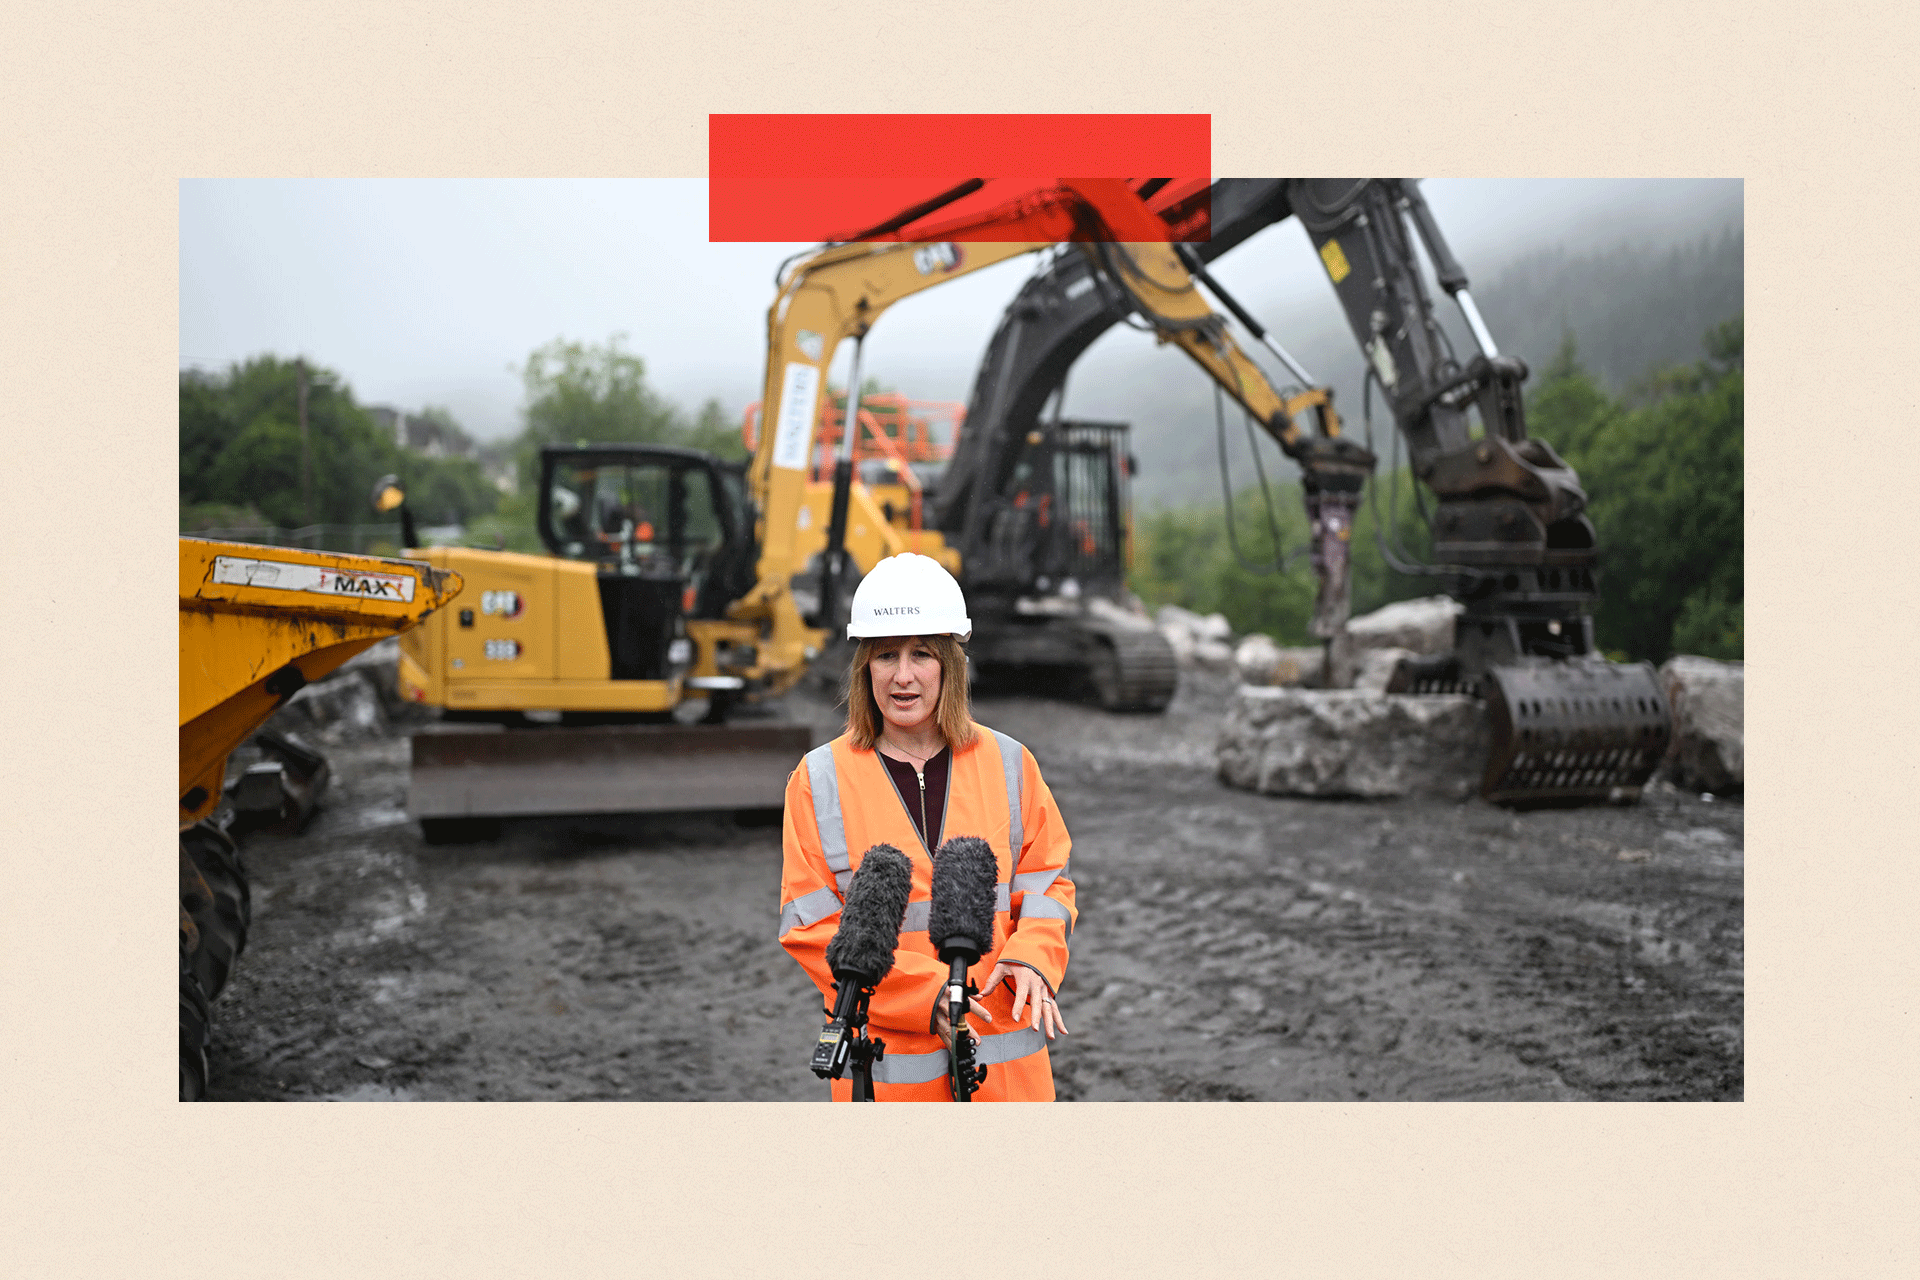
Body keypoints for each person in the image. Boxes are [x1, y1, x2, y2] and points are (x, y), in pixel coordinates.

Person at [778, 553, 1075, 1101]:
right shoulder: (819, 780)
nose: (904, 675)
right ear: (865, 667)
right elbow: (811, 927)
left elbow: (1046, 882)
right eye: (886, 655)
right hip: (890, 1079)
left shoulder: (1010, 764)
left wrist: (1032, 953)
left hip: (1004, 1075)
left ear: (951, 666)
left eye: (922, 655)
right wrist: (926, 995)